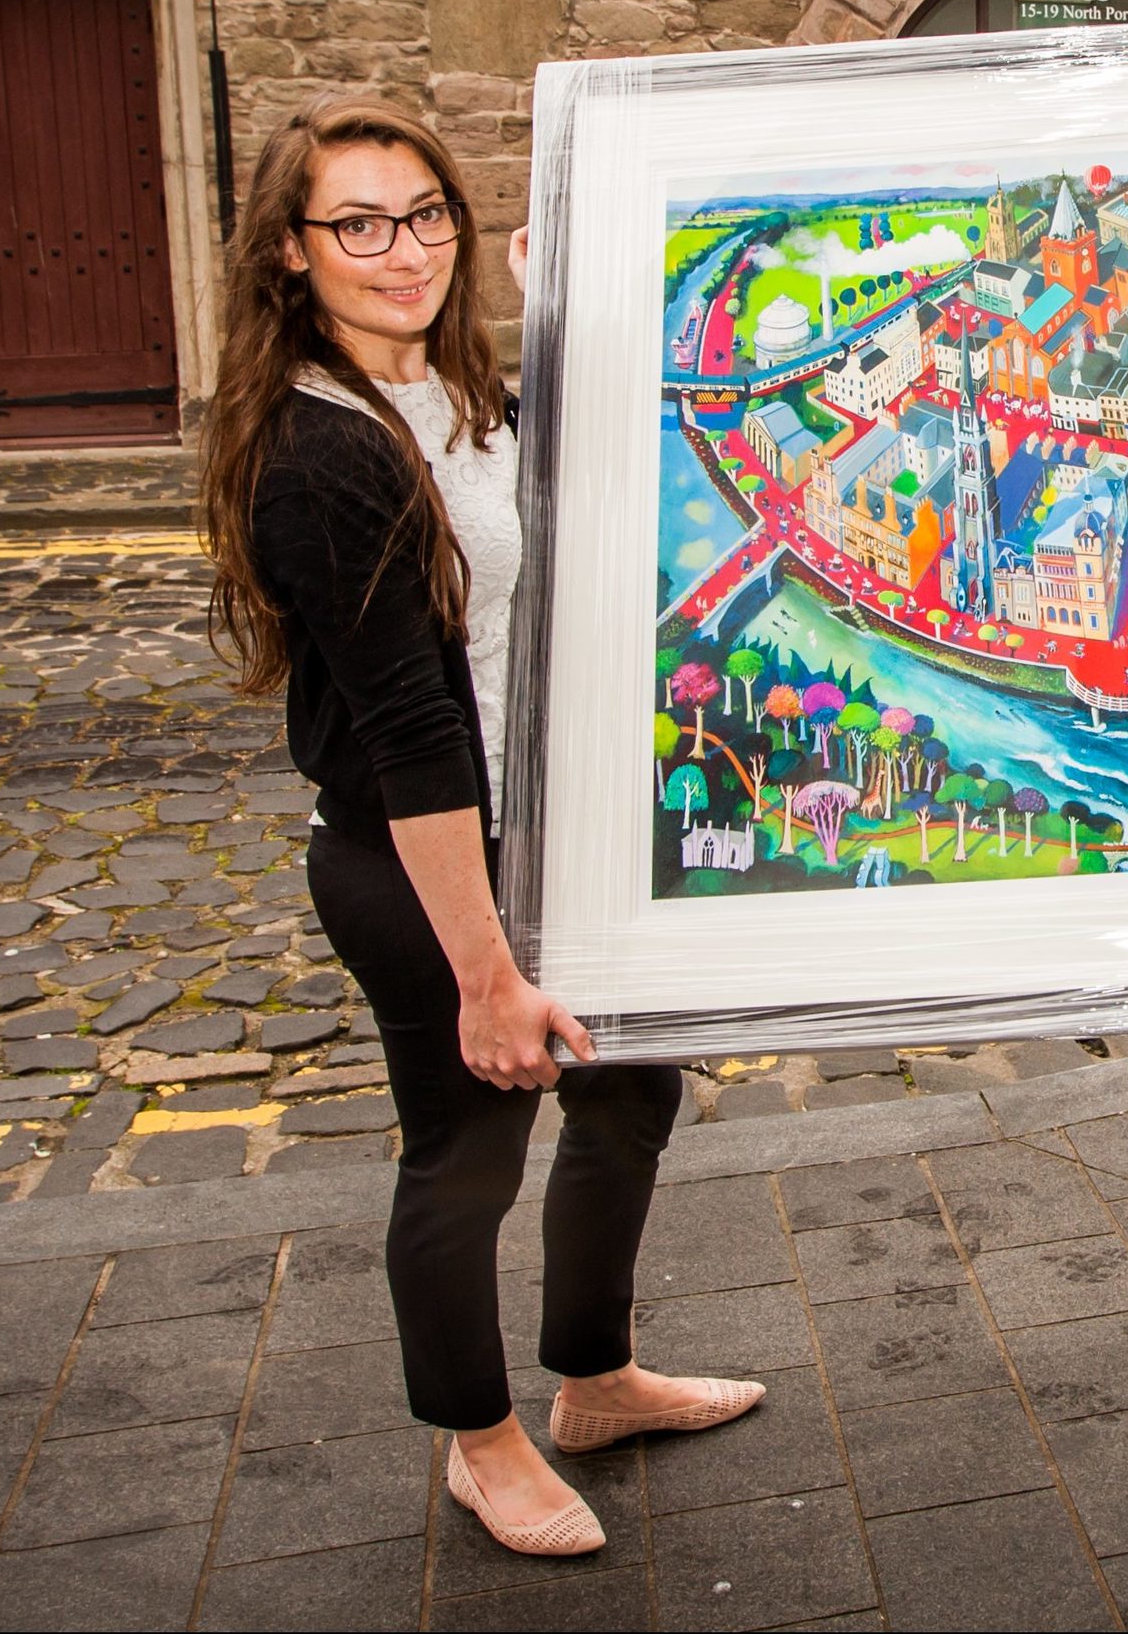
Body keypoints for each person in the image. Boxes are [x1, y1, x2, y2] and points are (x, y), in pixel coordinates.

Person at [199, 96, 762, 1559]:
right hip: (423, 862)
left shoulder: (456, 394)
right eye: (361, 226)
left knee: (631, 1093)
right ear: (289, 256)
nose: (405, 251)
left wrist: (553, 302)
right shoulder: (320, 453)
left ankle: (593, 1382)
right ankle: (482, 1440)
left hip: (544, 829)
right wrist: (486, 974)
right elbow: (410, 736)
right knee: (467, 1148)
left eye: (428, 215)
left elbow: (599, 504)